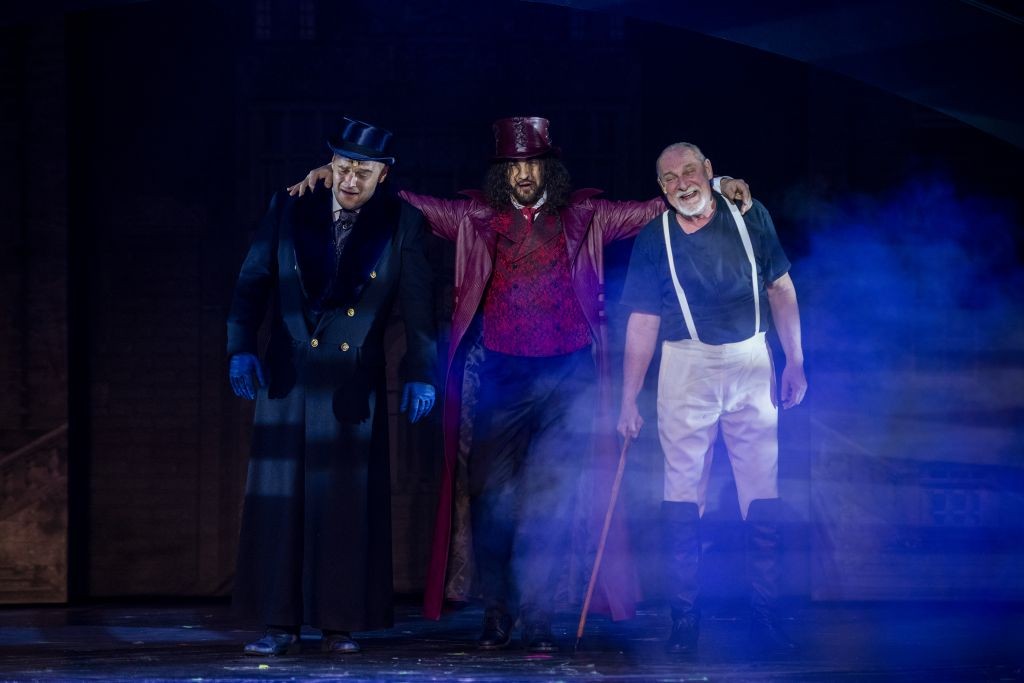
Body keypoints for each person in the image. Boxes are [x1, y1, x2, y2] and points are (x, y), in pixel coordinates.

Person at [290, 117, 751, 652]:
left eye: (532, 164)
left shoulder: (584, 216)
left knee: (548, 503)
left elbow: (656, 206)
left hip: (566, 380)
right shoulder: (476, 219)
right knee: (491, 500)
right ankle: (498, 612)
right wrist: (343, 175)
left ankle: (538, 617)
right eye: (513, 167)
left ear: (548, 169)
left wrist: (718, 183)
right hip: (502, 378)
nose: (524, 175)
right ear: (500, 174)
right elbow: (404, 203)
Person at [227, 117, 437, 656]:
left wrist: (421, 373)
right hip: (288, 374)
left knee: (343, 503)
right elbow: (252, 282)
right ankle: (279, 624)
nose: (349, 180)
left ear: (383, 175)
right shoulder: (290, 206)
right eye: (342, 167)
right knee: (281, 498)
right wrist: (240, 348)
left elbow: (418, 307)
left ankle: (338, 623)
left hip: (351, 382)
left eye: (363, 171)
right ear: (329, 166)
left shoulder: (402, 222)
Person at [617, 142, 806, 656]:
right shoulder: (654, 238)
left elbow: (781, 289)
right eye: (670, 178)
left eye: (690, 172)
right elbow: (642, 321)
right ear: (661, 189)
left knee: (762, 490)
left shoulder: (749, 214)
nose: (682, 183)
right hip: (687, 366)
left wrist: (795, 361)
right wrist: (628, 399)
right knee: (682, 492)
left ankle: (765, 618)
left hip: (751, 361)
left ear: (709, 171)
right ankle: (684, 620)